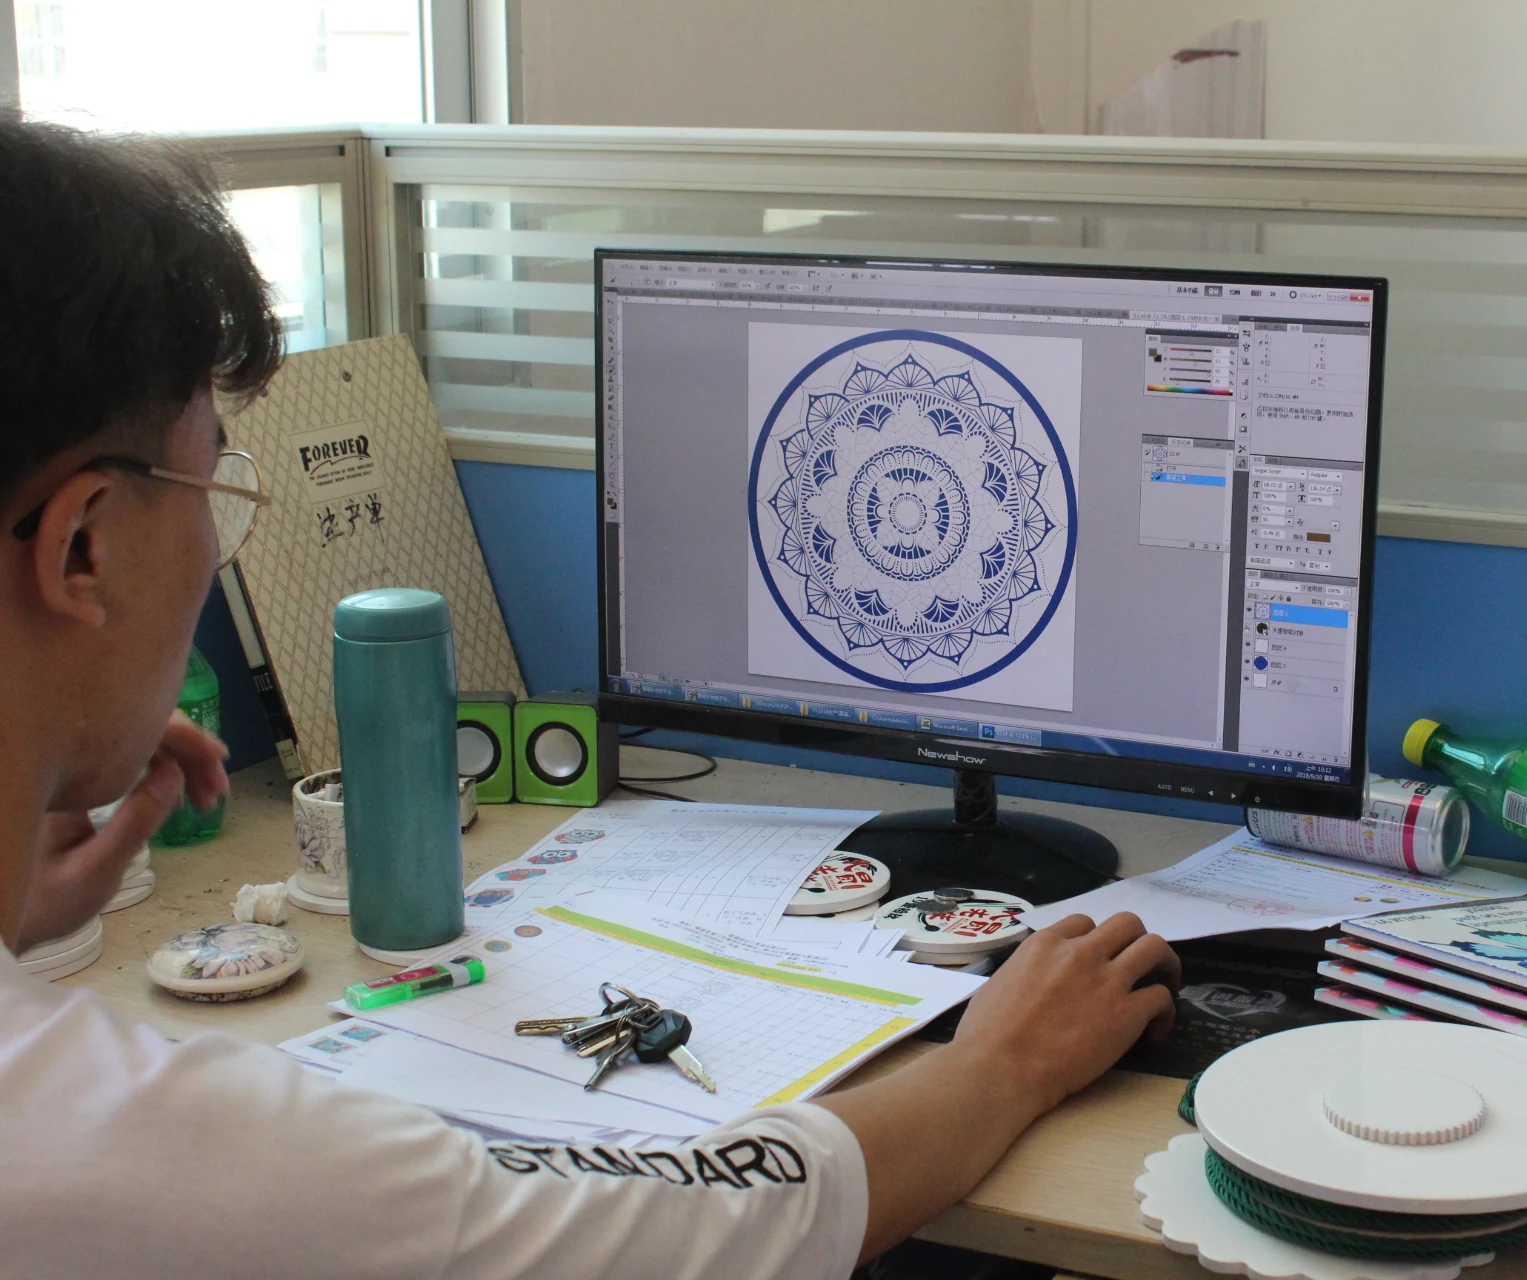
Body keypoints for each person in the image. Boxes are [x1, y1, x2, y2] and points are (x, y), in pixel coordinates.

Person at [0, 117, 1179, 1279]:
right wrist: (1004, 1062)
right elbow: (699, 1232)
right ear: (83, 547)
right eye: (211, 482)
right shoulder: (168, 1152)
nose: (217, 539)